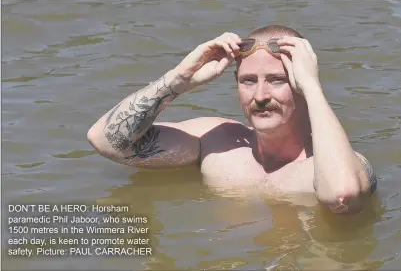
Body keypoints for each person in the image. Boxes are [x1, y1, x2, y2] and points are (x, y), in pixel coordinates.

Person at [87, 25, 376, 214]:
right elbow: (106, 140)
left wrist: (313, 88)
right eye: (248, 81)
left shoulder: (339, 165)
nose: (260, 95)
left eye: (276, 81)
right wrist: (179, 79)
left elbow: (342, 196)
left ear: (300, 83)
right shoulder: (217, 141)